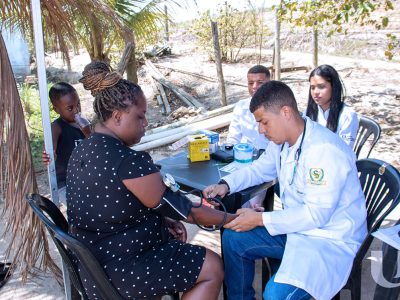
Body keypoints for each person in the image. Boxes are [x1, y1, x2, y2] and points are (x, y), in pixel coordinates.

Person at [67, 61, 237, 299]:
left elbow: (118, 203)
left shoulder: (83, 150)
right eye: (140, 116)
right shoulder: (128, 161)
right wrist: (234, 218)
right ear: (117, 116)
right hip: (120, 271)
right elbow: (188, 211)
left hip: (89, 265)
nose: (146, 123)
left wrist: (163, 221)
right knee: (211, 266)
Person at [203, 80, 367, 300]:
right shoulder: (282, 142)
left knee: (275, 295)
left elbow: (316, 214)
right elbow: (260, 169)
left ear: (286, 112)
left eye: (264, 122)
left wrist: (260, 220)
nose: (261, 131)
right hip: (297, 230)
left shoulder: (324, 150)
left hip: (328, 239)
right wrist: (226, 185)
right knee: (234, 239)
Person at [42, 82, 91, 204]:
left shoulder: (85, 125)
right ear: (56, 109)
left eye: (78, 104)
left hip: (85, 179)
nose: (76, 110)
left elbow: (96, 147)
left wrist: (88, 133)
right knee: (81, 209)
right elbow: (49, 150)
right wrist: (48, 155)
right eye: (70, 108)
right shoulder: (56, 127)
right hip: (65, 183)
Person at [306, 64, 358, 148]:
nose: (315, 92)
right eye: (312, 87)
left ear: (334, 87)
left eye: (321, 87)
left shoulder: (348, 116)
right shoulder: (308, 113)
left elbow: (344, 150)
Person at [226, 64, 271, 150]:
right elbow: (233, 138)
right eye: (251, 83)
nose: (254, 87)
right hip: (244, 156)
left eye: (260, 82)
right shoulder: (241, 106)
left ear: (269, 83)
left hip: (270, 158)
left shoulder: (278, 107)